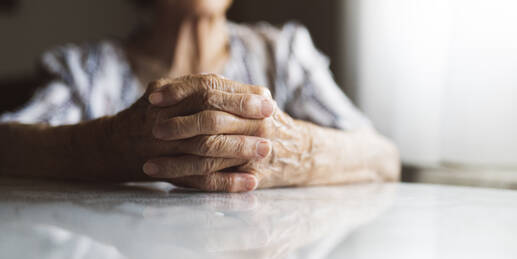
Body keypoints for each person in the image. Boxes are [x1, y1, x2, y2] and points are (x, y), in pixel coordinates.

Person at [0, 0, 400, 192]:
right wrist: (112, 144)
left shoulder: (283, 55)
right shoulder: (91, 71)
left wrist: (294, 150)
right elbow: (8, 146)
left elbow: (383, 158)